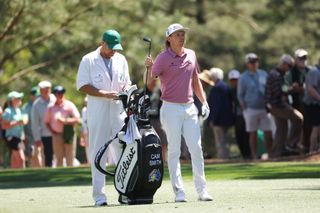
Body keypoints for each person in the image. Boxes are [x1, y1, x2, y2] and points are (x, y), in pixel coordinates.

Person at [145, 23, 213, 202]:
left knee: (196, 149)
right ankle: (179, 192)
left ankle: (202, 190)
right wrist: (148, 68)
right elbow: (150, 83)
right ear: (169, 39)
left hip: (190, 107)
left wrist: (203, 102)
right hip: (170, 107)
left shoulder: (191, 54)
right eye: (177, 35)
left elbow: (196, 79)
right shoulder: (162, 58)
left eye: (182, 34)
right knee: (174, 150)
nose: (181, 37)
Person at [76, 29, 131, 206]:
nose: (114, 51)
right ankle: (99, 197)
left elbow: (127, 82)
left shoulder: (121, 59)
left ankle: (125, 193)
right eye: (111, 47)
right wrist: (103, 93)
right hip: (98, 112)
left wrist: (127, 92)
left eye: (117, 47)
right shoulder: (88, 59)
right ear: (103, 43)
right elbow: (82, 85)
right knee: (98, 153)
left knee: (122, 152)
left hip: (118, 112)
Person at [265, 55, 303, 157]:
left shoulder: (278, 74)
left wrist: (289, 88)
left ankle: (277, 152)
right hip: (277, 105)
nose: (290, 69)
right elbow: (280, 91)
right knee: (298, 118)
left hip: (275, 105)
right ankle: (291, 144)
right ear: (284, 64)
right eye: (289, 66)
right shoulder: (276, 74)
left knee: (282, 128)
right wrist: (292, 88)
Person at [237, 53, 273, 159]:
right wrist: (245, 109)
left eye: (255, 61)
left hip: (264, 108)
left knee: (268, 132)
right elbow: (240, 95)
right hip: (250, 109)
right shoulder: (243, 77)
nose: (254, 64)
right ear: (247, 64)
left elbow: (268, 89)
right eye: (251, 62)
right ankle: (254, 155)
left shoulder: (263, 74)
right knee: (253, 133)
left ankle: (270, 154)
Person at [45, 86, 81, 167]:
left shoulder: (69, 105)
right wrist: (52, 132)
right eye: (58, 93)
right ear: (55, 95)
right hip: (57, 134)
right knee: (58, 157)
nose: (60, 95)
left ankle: (71, 174)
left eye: (61, 93)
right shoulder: (50, 107)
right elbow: (46, 122)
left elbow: (77, 119)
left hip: (69, 134)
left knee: (70, 155)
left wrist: (65, 121)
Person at [285, 49, 311, 152]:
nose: (303, 60)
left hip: (309, 103)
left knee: (309, 125)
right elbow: (286, 87)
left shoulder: (309, 71)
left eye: (304, 58)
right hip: (296, 103)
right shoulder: (290, 73)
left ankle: (306, 146)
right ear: (295, 59)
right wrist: (295, 88)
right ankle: (294, 145)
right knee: (298, 124)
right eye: (300, 58)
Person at [207, 67, 234, 159]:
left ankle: (223, 158)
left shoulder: (216, 88)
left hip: (218, 120)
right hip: (227, 118)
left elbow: (216, 105)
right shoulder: (226, 86)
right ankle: (226, 157)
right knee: (225, 140)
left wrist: (212, 119)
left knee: (220, 141)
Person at [31, 80, 56, 167]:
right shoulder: (36, 104)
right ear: (40, 91)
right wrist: (37, 138)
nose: (46, 91)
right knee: (48, 156)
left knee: (57, 155)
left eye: (48, 89)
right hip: (45, 134)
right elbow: (35, 123)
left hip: (57, 132)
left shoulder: (55, 99)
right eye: (44, 89)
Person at [228, 69, 251, 159]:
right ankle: (244, 155)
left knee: (247, 136)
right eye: (232, 80)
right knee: (239, 136)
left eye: (236, 80)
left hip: (246, 115)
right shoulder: (230, 91)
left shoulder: (245, 89)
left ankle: (249, 154)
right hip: (237, 118)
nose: (234, 82)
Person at [1, 91, 27, 168]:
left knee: (15, 159)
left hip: (19, 137)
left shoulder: (18, 110)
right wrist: (17, 123)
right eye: (18, 98)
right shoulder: (8, 111)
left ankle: (14, 177)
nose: (20, 99)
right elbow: (3, 126)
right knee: (21, 159)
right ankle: (23, 176)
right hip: (12, 137)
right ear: (12, 100)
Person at [22, 86, 42, 167]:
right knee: (32, 155)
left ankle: (41, 172)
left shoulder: (41, 104)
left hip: (41, 135)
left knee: (39, 155)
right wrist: (24, 136)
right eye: (36, 96)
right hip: (30, 136)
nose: (37, 97)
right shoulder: (26, 107)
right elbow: (24, 123)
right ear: (31, 96)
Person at [304, 59, 320, 153]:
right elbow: (311, 89)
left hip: (316, 103)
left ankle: (315, 149)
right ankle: (312, 150)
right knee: (316, 127)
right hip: (312, 104)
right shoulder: (314, 71)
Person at [80, 96, 90, 163]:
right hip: (86, 132)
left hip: (93, 132)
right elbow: (83, 123)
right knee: (87, 149)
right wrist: (82, 136)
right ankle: (89, 162)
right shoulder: (84, 110)